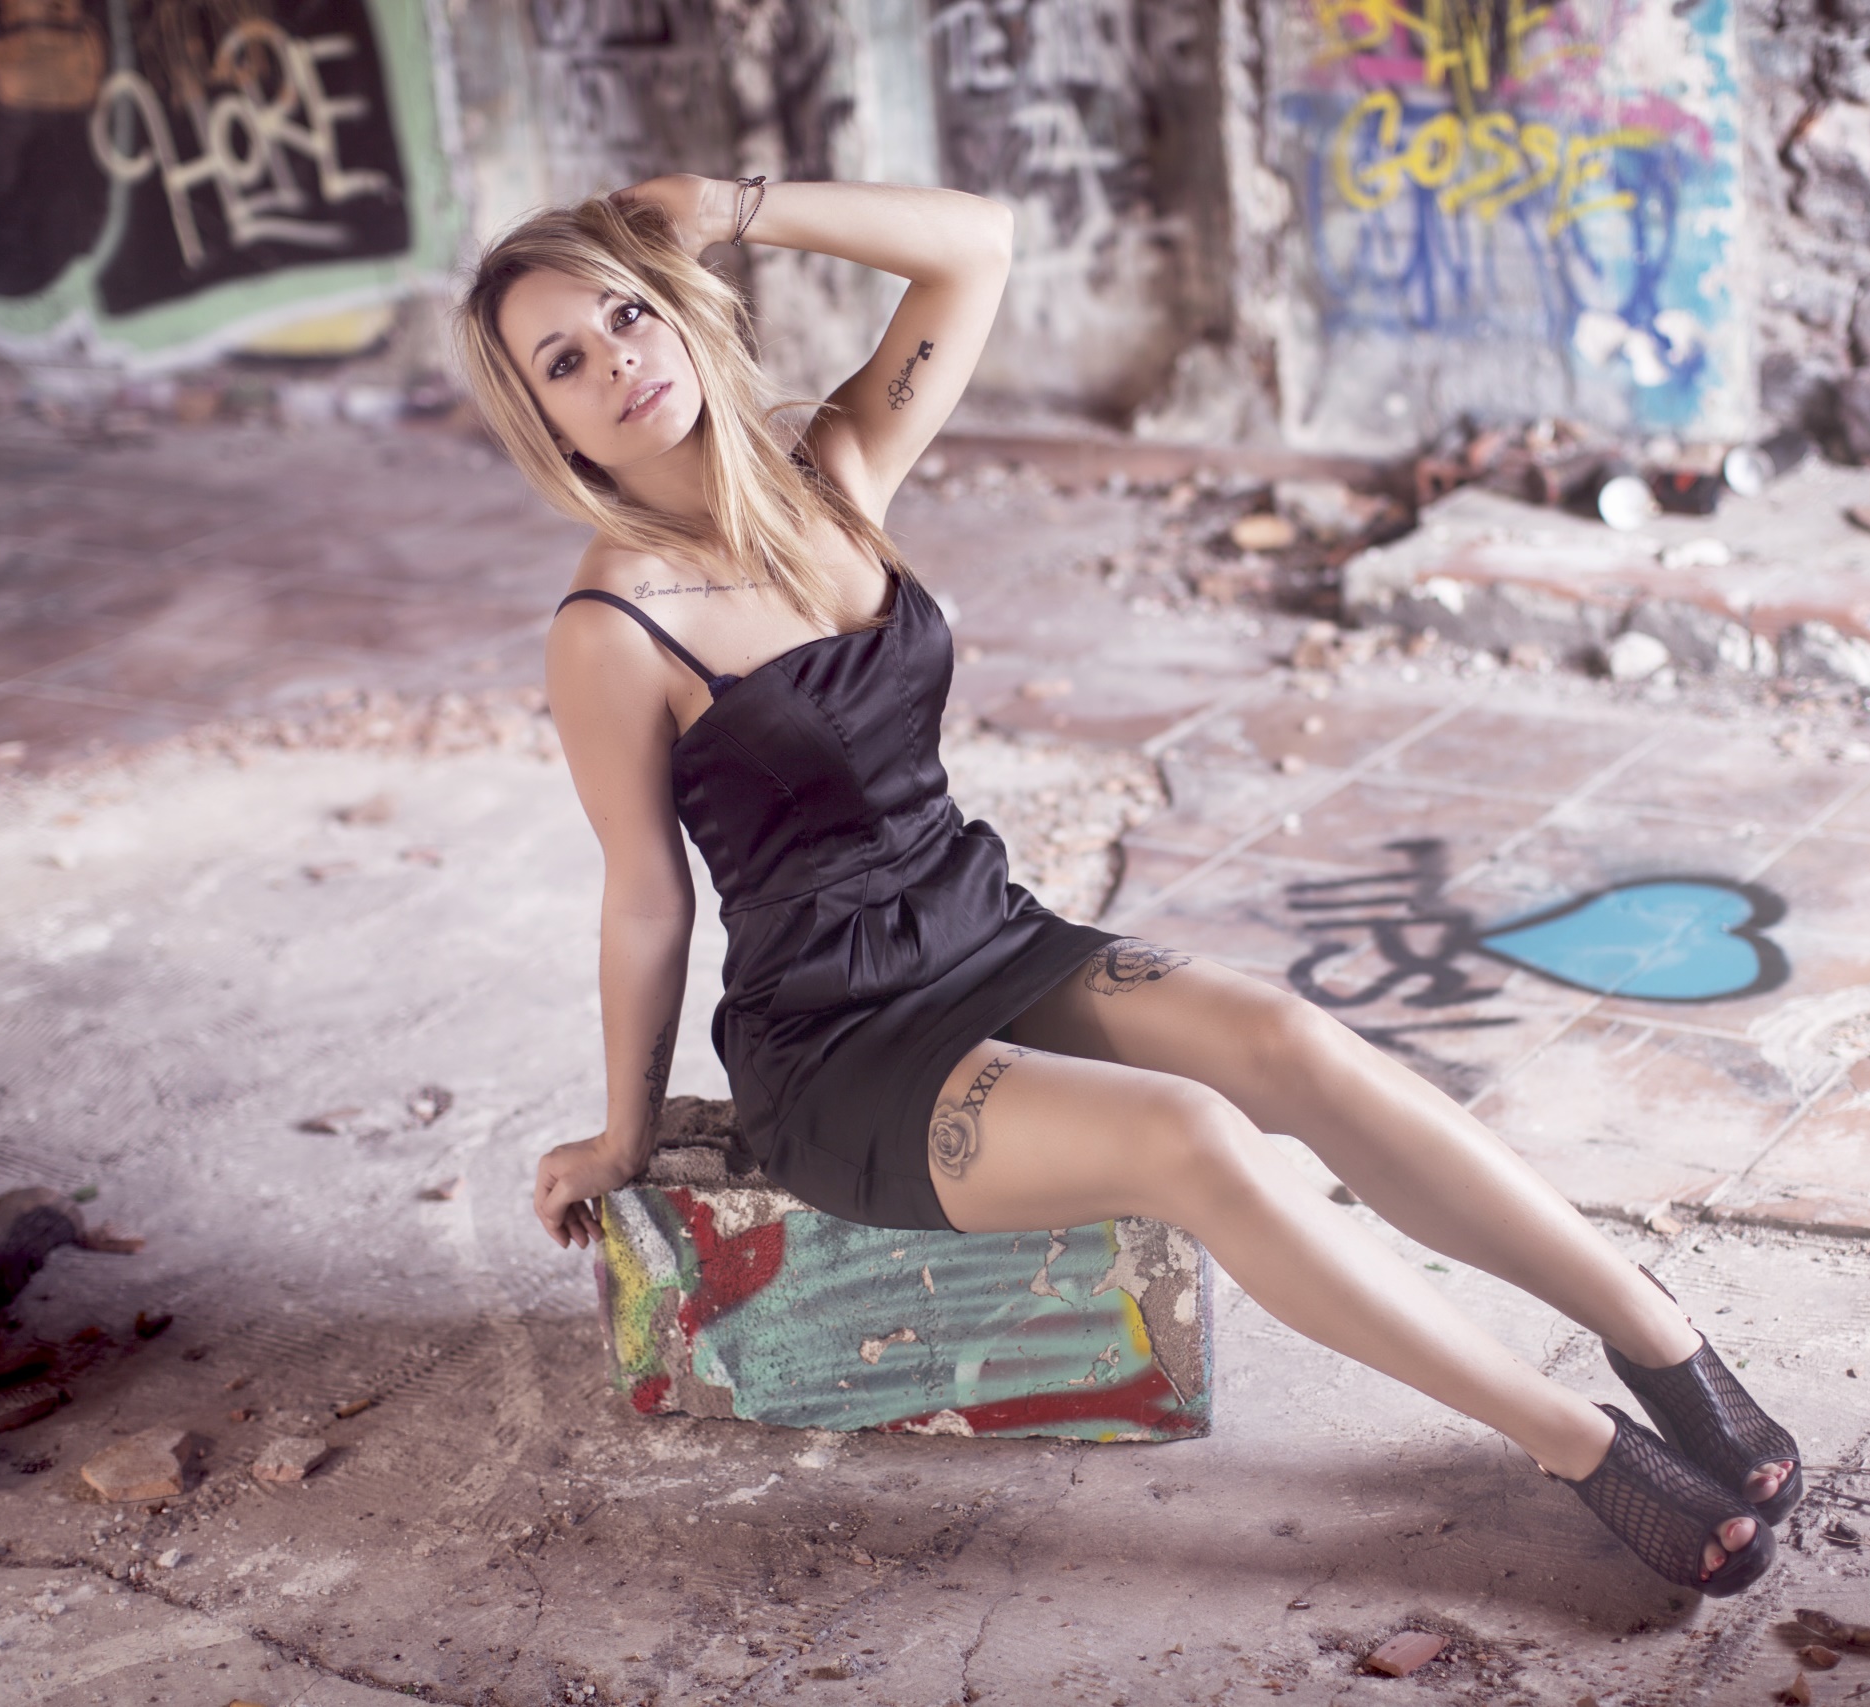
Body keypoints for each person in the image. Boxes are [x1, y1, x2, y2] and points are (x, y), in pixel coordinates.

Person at [453, 175, 1801, 1596]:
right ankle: (1574, 1441)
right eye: (566, 362)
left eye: (627, 313)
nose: (619, 363)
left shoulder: (830, 475)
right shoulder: (612, 625)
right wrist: (623, 1134)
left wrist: (732, 203)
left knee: (1288, 1039)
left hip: (984, 930)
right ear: (547, 425)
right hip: (838, 1047)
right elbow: (646, 897)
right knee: (1192, 1136)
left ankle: (1658, 1340)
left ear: (679, 304)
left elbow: (979, 246)